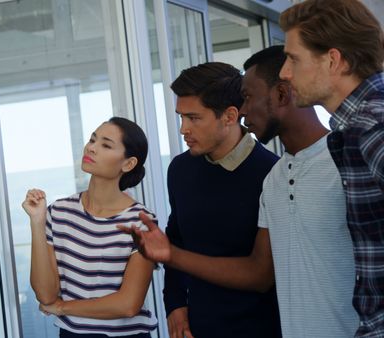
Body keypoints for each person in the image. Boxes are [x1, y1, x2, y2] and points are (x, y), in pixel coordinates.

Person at [121, 62, 281, 338]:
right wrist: (175, 304)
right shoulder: (181, 169)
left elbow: (262, 276)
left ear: (230, 116)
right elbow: (176, 238)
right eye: (181, 117)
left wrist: (173, 256)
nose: (184, 129)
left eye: (194, 118)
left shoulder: (271, 174)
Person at [279, 1, 384, 336]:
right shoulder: (357, 129)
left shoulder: (372, 129)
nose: (284, 72)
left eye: (293, 58)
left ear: (333, 60)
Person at [242, 45, 358, 336]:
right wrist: (170, 254)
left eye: (247, 97)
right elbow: (259, 270)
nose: (243, 111)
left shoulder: (349, 161)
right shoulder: (273, 180)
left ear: (281, 94)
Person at [23, 117, 157, 337]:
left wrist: (62, 308)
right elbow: (46, 295)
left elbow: (128, 304)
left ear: (128, 163)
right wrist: (37, 222)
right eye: (92, 140)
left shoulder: (142, 222)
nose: (91, 148)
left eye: (105, 145)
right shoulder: (58, 212)